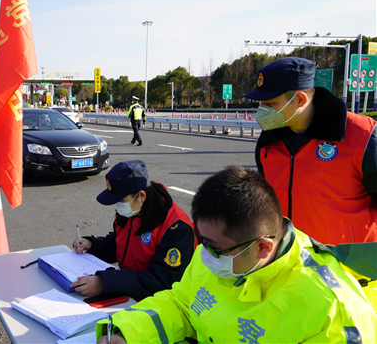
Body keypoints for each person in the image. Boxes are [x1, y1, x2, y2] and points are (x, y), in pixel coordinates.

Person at [96, 166, 377, 344]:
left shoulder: (332, 314)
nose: (203, 254)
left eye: (214, 247)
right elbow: (180, 303)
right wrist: (126, 333)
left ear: (263, 248)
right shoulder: (221, 254)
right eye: (202, 241)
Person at [245, 56, 377, 245]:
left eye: (270, 103)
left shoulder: (363, 136)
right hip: (290, 263)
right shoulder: (268, 143)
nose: (262, 110)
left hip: (346, 266)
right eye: (261, 103)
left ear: (300, 99)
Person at [71, 159, 194, 299]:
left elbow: (162, 281)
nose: (117, 206)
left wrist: (106, 282)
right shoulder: (134, 209)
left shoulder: (176, 229)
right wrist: (93, 245)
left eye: (120, 201)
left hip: (158, 304)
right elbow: (121, 242)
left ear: (141, 196)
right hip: (129, 293)